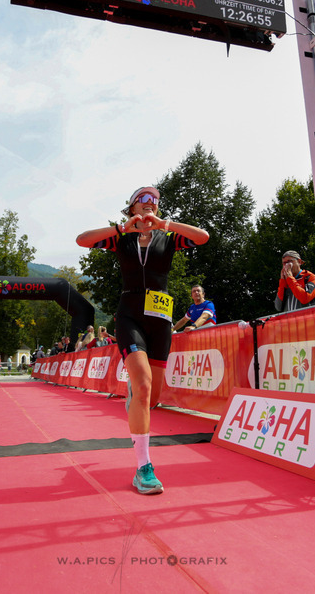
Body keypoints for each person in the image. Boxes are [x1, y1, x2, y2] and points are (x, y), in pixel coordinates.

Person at [76, 185, 209, 494]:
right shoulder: (121, 238)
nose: (150, 203)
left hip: (160, 321)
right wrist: (121, 228)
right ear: (133, 206)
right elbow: (83, 240)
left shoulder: (169, 238)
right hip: (130, 316)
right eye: (144, 199)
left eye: (155, 200)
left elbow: (203, 237)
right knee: (144, 385)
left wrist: (166, 224)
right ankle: (143, 468)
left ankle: (134, 396)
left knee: (152, 397)